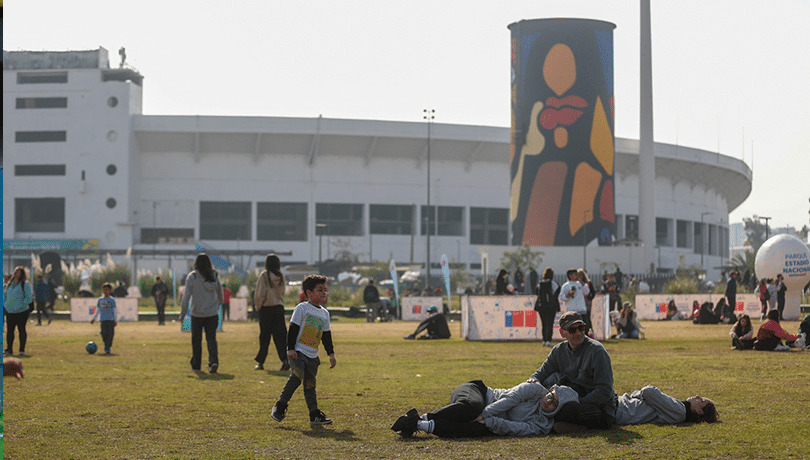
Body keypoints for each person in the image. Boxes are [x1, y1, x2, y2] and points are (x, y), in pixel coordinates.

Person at [390, 380, 578, 438]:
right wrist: (483, 414)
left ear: (557, 409)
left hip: (482, 416)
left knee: (478, 430)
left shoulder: (542, 426)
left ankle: (421, 425)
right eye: (552, 392)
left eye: (554, 401)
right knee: (472, 408)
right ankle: (418, 418)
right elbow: (508, 399)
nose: (548, 398)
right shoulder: (536, 389)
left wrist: (487, 421)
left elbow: (514, 429)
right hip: (476, 392)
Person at [528, 311, 617, 430]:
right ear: (562, 333)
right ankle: (565, 424)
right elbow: (541, 374)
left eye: (581, 328)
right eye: (572, 330)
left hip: (599, 407)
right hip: (572, 399)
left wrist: (577, 402)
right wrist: (532, 383)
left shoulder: (597, 351)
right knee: (545, 399)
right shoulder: (558, 351)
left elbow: (605, 391)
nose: (578, 333)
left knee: (563, 410)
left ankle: (575, 426)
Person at [271, 274, 336, 427]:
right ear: (309, 293)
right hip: (299, 352)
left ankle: (314, 415)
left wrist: (331, 354)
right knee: (296, 377)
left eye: (325, 290)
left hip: (313, 356)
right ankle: (280, 407)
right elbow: (293, 330)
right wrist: (291, 349)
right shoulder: (302, 308)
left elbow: (326, 336)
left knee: (310, 386)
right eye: (320, 290)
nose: (324, 293)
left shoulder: (324, 314)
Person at [180, 253, 224, 373]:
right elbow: (221, 295)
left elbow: (186, 296)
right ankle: (213, 361)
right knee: (211, 339)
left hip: (197, 314)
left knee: (196, 340)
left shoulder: (192, 277)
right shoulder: (214, 276)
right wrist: (217, 305)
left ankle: (196, 365)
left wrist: (183, 313)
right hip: (212, 314)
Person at [253, 254, 289, 371]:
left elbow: (260, 294)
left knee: (265, 336)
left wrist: (258, 306)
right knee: (281, 336)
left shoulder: (264, 276)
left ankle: (261, 362)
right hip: (278, 308)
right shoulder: (281, 276)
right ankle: (285, 359)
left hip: (266, 309)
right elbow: (283, 292)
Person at [614, 385, 717, 425]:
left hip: (618, 408)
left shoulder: (679, 410)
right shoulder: (679, 411)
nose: (698, 396)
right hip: (618, 408)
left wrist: (639, 395)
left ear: (699, 411)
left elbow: (648, 391)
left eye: (702, 400)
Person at [4, 266, 34, 356]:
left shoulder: (25, 284)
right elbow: (5, 295)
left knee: (21, 330)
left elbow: (29, 298)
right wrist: (5, 304)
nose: (16, 273)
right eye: (15, 271)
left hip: (22, 311)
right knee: (10, 331)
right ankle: (9, 349)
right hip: (10, 311)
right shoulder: (9, 284)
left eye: (18, 272)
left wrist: (20, 305)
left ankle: (21, 350)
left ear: (21, 274)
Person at [534, 267, 561, 347]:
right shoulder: (554, 283)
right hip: (551, 306)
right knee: (550, 323)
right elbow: (557, 292)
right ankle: (549, 340)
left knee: (544, 323)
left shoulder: (540, 283)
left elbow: (536, 292)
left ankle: (544, 340)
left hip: (541, 306)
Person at [91, 282, 118, 354]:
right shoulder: (100, 300)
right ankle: (106, 345)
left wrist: (115, 320)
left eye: (106, 290)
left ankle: (108, 347)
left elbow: (114, 310)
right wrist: (94, 318)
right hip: (103, 320)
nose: (105, 291)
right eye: (103, 290)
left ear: (110, 290)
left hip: (110, 320)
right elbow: (98, 310)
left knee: (110, 334)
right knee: (104, 334)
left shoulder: (112, 300)